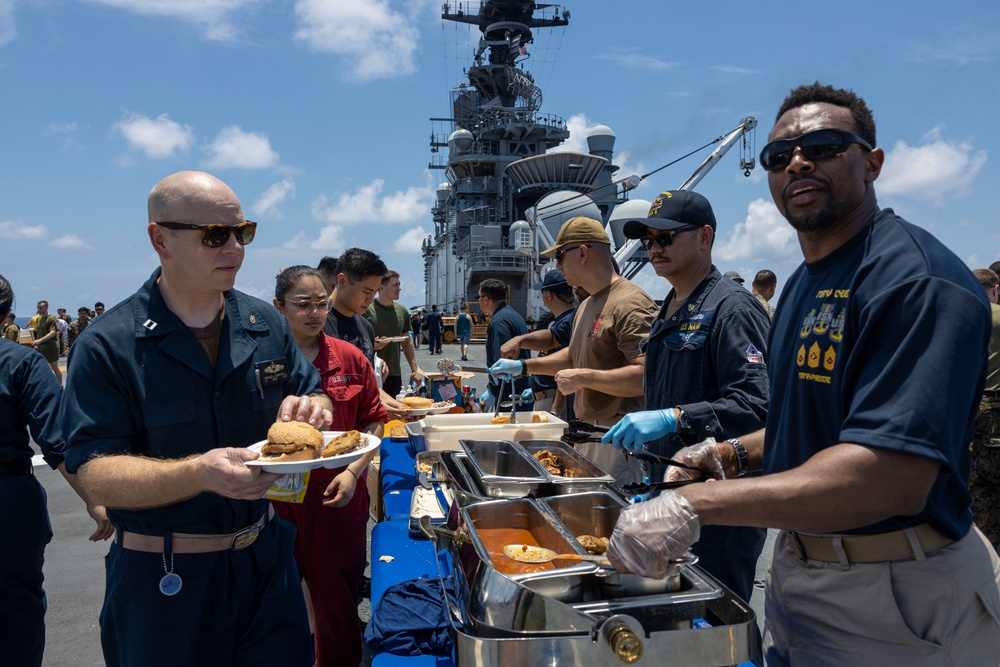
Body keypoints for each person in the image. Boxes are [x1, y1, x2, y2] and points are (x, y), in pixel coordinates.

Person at [607, 83, 1000, 665]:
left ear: (872, 163)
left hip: (896, 590)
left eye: (823, 145)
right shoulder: (804, 284)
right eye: (778, 155)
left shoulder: (913, 282)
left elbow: (888, 476)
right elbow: (809, 427)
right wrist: (728, 454)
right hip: (804, 566)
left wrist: (699, 506)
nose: (797, 161)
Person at [60, 170, 332, 666]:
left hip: (266, 562)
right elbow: (95, 473)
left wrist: (316, 409)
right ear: (159, 239)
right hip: (164, 579)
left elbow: (312, 391)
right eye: (214, 235)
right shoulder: (107, 345)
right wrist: (198, 472)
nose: (234, 247)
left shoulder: (265, 323)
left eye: (242, 232)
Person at [600, 189, 770, 603]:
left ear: (705, 237)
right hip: (671, 493)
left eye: (667, 238)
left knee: (716, 624)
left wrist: (675, 417)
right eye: (648, 241)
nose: (654, 249)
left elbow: (757, 406)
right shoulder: (672, 306)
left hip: (720, 509)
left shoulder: (733, 309)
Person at [273, 265, 387, 667]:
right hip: (274, 501)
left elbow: (374, 420)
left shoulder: (351, 358)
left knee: (338, 597)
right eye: (302, 305)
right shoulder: (260, 364)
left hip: (338, 498)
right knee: (276, 599)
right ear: (279, 307)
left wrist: (353, 471)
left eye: (321, 304)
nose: (314, 313)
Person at [492, 217, 657, 485]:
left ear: (582, 253)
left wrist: (582, 378)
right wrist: (524, 367)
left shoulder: (630, 302)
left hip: (616, 439)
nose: (557, 266)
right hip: (589, 433)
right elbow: (573, 355)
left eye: (559, 257)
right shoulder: (588, 303)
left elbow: (646, 376)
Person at [0, 274, 111, 667]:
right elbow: (58, 442)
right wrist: (95, 500)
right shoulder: (20, 361)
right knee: (15, 615)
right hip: (8, 501)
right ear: (6, 316)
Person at [500, 269, 576, 416]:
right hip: (546, 396)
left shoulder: (566, 323)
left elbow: (566, 369)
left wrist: (555, 410)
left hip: (554, 401)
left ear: (549, 295)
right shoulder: (565, 321)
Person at [971, 267, 1000, 551]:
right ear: (995, 289)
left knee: (977, 487)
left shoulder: (957, 317)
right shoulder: (997, 317)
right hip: (995, 412)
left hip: (967, 410)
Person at [365, 270, 421, 399]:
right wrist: (372, 345)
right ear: (382, 287)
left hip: (395, 373)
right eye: (395, 285)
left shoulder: (402, 311)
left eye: (399, 284)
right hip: (372, 373)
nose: (399, 288)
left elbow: (407, 342)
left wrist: (414, 370)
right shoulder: (367, 310)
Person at [478, 278, 530, 408]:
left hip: (508, 393)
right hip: (520, 387)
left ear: (485, 299)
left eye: (478, 297)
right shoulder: (513, 315)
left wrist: (493, 391)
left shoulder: (498, 322)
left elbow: (501, 363)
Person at [28, 301, 61, 384]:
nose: (38, 309)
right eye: (38, 308)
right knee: (36, 366)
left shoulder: (51, 318)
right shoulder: (38, 318)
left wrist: (40, 340)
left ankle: (60, 385)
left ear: (46, 307)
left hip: (49, 345)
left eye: (40, 308)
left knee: (54, 367)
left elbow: (53, 332)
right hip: (39, 346)